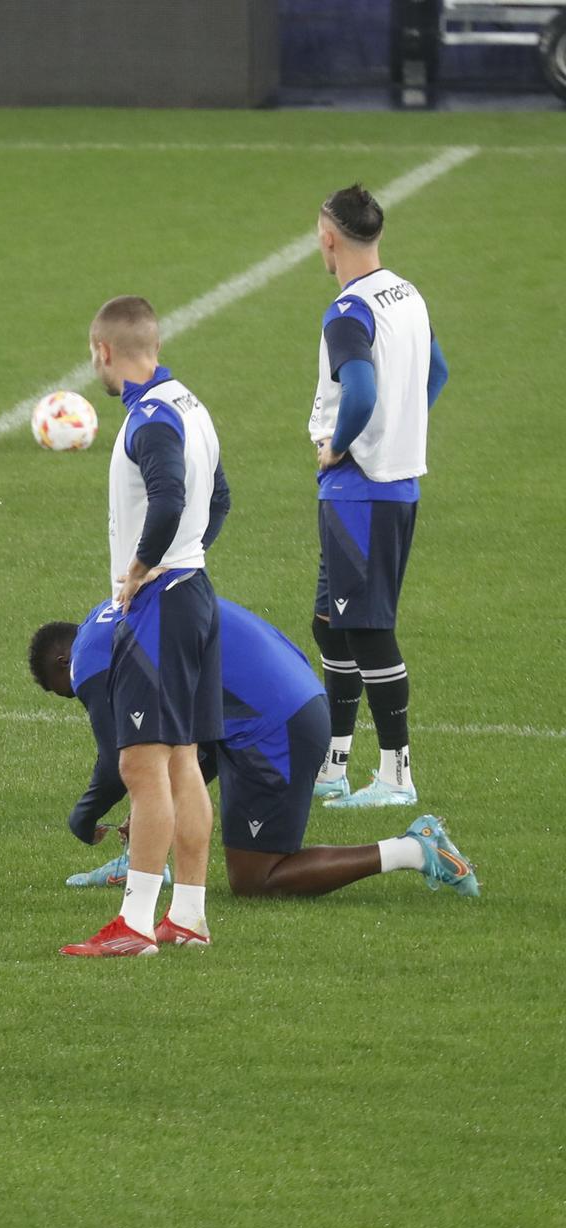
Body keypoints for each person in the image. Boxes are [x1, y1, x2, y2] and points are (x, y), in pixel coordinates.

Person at [29, 599, 477, 898]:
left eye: (65, 691)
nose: (77, 697)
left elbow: (116, 763)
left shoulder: (89, 656)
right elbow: (189, 741)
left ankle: (415, 850)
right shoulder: (121, 611)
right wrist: (151, 810)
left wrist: (83, 818)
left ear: (63, 662)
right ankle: (141, 863)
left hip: (273, 725)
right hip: (291, 700)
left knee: (255, 878)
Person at [62, 296, 230, 957]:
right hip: (194, 593)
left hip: (161, 606)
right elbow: (220, 499)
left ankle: (134, 925)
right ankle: (187, 915)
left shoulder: (149, 419)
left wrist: (141, 566)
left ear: (105, 351)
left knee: (141, 765)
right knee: (183, 759)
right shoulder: (190, 403)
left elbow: (170, 497)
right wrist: (188, 550)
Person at [304, 183, 450, 809]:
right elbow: (436, 372)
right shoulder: (407, 294)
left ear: (330, 237)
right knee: (331, 624)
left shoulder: (347, 312)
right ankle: (333, 765)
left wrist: (342, 444)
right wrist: (401, 429)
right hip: (390, 483)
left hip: (360, 489)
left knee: (366, 630)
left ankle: (395, 774)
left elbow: (359, 393)